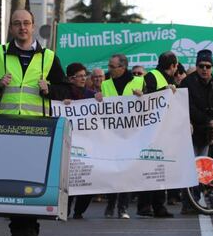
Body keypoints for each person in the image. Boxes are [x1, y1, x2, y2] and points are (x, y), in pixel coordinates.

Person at [0, 9, 68, 236]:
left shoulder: (48, 57)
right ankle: (17, 229)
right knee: (12, 183)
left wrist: (50, 89)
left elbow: (67, 89)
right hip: (5, 129)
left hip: (38, 131)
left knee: (34, 182)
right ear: (11, 28)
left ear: (33, 26)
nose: (22, 27)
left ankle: (32, 227)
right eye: (17, 23)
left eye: (26, 23)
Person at [179, 49, 213, 214]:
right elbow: (188, 108)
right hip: (190, 131)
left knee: (201, 168)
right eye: (201, 66)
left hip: (206, 134)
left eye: (208, 66)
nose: (204, 69)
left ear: (212, 67)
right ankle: (188, 202)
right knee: (190, 168)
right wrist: (207, 121)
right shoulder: (187, 83)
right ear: (197, 66)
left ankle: (195, 201)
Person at [101, 54, 144, 219]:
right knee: (113, 170)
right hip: (112, 133)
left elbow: (150, 103)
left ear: (122, 67)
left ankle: (123, 207)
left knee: (127, 171)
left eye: (112, 67)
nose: (109, 69)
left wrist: (143, 96)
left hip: (131, 134)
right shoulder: (105, 84)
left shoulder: (139, 82)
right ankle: (111, 204)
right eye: (109, 66)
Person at [136, 51, 177, 218]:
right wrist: (164, 90)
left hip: (163, 129)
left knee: (161, 169)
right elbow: (147, 99)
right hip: (151, 130)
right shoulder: (152, 76)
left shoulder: (168, 79)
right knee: (151, 168)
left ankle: (159, 206)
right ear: (173, 66)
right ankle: (145, 206)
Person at [64, 63, 97, 219]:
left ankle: (79, 211)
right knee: (68, 178)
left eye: (85, 75)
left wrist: (100, 100)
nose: (84, 78)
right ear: (71, 78)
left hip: (87, 143)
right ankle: (66, 209)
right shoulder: (63, 94)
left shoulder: (91, 95)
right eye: (80, 76)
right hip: (68, 142)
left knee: (87, 177)